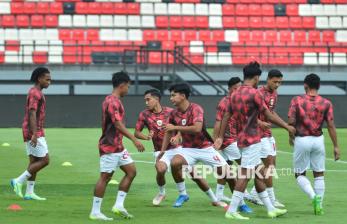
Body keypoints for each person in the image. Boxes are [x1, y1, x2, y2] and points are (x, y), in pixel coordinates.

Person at [216, 61, 295, 220]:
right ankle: (232, 210)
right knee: (245, 175)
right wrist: (287, 127)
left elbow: (226, 116)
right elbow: (268, 114)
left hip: (241, 139)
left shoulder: (235, 94)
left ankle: (271, 208)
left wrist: (219, 136)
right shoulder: (255, 93)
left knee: (259, 172)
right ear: (257, 77)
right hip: (252, 139)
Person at [158, 83, 231, 208]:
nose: (171, 98)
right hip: (187, 149)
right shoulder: (173, 114)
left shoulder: (196, 108)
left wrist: (175, 127)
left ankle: (239, 203)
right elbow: (169, 131)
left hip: (205, 148)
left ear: (183, 96)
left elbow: (197, 129)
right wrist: (163, 151)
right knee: (175, 163)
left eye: (173, 95)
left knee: (228, 174)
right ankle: (182, 194)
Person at [89, 71, 145, 221]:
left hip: (118, 147)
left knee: (131, 171)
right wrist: (134, 139)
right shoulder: (112, 101)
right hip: (109, 146)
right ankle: (95, 211)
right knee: (105, 177)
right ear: (122, 85)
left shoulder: (115, 100)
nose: (128, 89)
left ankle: (119, 205)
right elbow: (118, 124)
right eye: (127, 86)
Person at [288, 73, 340, 215]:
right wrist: (336, 146)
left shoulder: (297, 100)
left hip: (302, 139)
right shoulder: (326, 103)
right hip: (318, 140)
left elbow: (291, 122)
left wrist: (290, 136)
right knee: (319, 174)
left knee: (299, 174)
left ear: (305, 85)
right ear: (319, 86)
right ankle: (320, 206)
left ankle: (313, 197)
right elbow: (330, 125)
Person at [134, 89, 181, 206]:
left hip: (176, 149)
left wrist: (177, 137)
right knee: (160, 170)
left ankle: (214, 197)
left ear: (157, 99)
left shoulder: (171, 112)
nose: (146, 102)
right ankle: (161, 193)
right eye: (145, 100)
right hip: (159, 150)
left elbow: (181, 127)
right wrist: (146, 137)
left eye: (148, 99)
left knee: (190, 173)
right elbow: (136, 132)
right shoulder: (144, 114)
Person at [11, 67, 51, 201]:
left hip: (35, 130)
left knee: (34, 161)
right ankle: (18, 181)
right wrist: (34, 133)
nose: (49, 82)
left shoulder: (37, 92)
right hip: (34, 131)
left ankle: (29, 192)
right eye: (47, 79)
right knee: (45, 160)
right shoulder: (35, 93)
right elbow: (32, 112)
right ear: (39, 78)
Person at [213, 77, 252, 213]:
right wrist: (216, 139)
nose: (238, 91)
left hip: (231, 139)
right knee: (247, 166)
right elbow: (218, 122)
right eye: (235, 88)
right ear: (229, 89)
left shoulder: (236, 101)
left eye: (239, 88)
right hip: (228, 141)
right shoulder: (225, 102)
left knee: (226, 168)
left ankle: (219, 195)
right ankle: (244, 194)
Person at [247, 69, 285, 208]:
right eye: (275, 81)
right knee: (268, 166)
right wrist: (259, 122)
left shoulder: (275, 94)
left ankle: (254, 193)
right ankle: (271, 198)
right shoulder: (258, 93)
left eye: (280, 82)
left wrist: (284, 125)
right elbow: (248, 113)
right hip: (258, 134)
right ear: (268, 79)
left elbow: (271, 112)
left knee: (272, 166)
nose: (277, 84)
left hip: (268, 134)